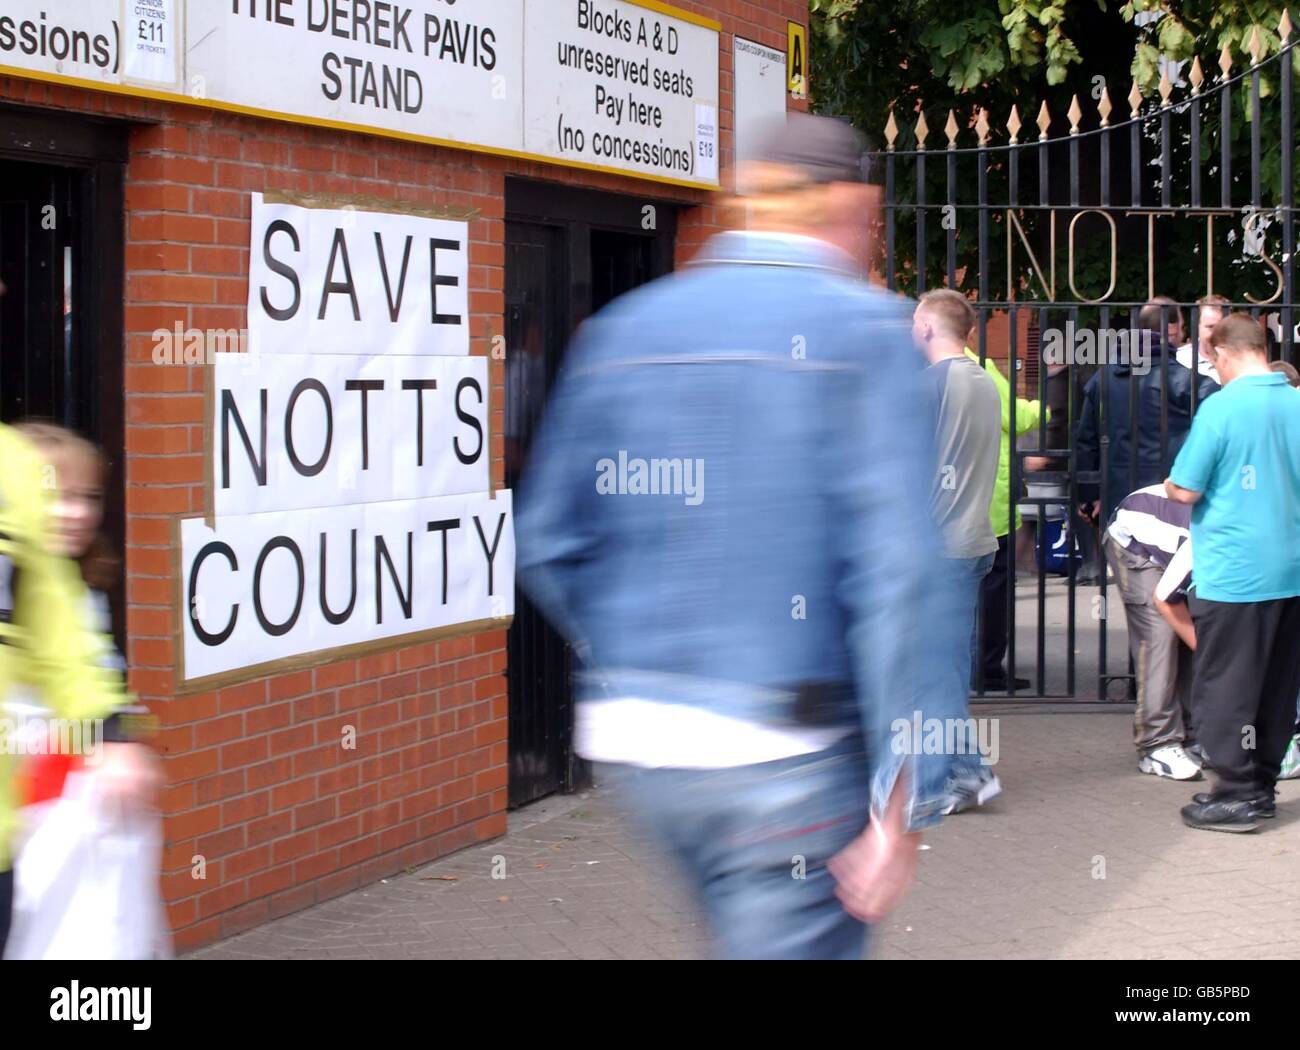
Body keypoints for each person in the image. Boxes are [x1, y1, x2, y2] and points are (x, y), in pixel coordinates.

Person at [516, 113, 961, 959]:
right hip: (787, 751)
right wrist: (898, 802)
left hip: (644, 747)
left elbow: (544, 537)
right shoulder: (866, 333)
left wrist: (632, 656)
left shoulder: (623, 330)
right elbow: (900, 574)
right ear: (852, 202)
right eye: (871, 218)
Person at [0, 422, 157, 956]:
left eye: (87, 497)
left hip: (27, 823)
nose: (75, 513)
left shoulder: (71, 589)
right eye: (58, 497)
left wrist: (110, 732)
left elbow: (72, 661)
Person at [1166, 313, 1300, 831]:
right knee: (1277, 687)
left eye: (1212, 361)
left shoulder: (1221, 409)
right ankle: (1261, 786)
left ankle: (1235, 793)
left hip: (1236, 573)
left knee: (1226, 685)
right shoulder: (1295, 402)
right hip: (1290, 570)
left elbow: (1185, 488)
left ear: (1224, 353)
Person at [914, 290, 1003, 811]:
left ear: (927, 326)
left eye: (913, 320)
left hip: (938, 548)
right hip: (972, 540)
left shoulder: (931, 386)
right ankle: (970, 772)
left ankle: (944, 785)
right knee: (942, 667)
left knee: (930, 672)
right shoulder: (984, 381)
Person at [1077, 298, 1220, 530]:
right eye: (1182, 326)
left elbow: (1086, 442)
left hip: (1118, 499)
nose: (1182, 333)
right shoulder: (1188, 383)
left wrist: (1089, 496)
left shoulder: (1101, 379)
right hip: (1171, 501)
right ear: (1171, 328)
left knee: (1123, 564)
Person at [1103, 485, 1201, 779]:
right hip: (1135, 543)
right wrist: (1208, 650)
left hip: (1172, 545)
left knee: (1192, 633)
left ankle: (1193, 735)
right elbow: (1165, 598)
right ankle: (1157, 744)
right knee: (1160, 636)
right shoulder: (1208, 538)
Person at [966, 339, 1043, 690]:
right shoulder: (980, 368)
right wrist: (1046, 407)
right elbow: (1017, 417)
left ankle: (963, 666)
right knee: (994, 588)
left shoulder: (929, 371)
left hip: (952, 501)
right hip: (990, 499)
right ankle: (987, 669)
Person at [1176, 295, 1230, 386]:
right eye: (1210, 327)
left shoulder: (1241, 361)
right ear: (1198, 325)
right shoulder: (1180, 360)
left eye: (1222, 327)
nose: (1216, 334)